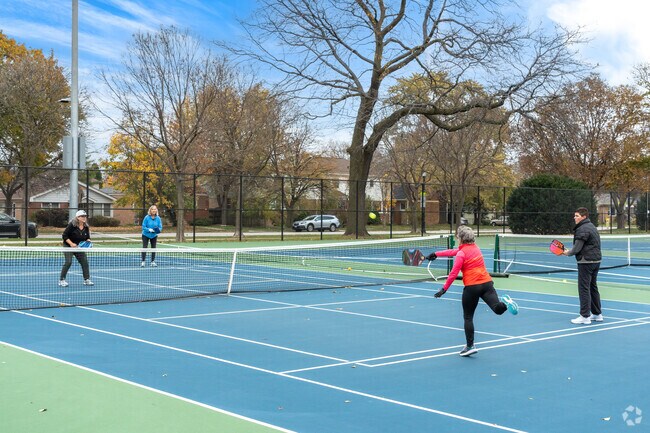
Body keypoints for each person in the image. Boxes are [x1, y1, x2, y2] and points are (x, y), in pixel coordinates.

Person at [429, 225, 518, 357]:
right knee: (497, 309)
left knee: (468, 317)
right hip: (487, 284)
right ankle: (506, 303)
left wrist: (444, 289)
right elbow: (454, 252)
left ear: (461, 239)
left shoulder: (461, 253)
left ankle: (470, 346)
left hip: (472, 287)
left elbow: (453, 273)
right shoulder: (476, 248)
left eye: (458, 237)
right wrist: (436, 254)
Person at [562, 207, 603, 325]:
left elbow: (578, 247)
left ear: (583, 217)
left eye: (577, 216)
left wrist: (567, 253)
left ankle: (585, 316)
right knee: (592, 287)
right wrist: (571, 251)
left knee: (584, 288)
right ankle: (597, 314)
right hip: (596, 261)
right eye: (574, 216)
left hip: (586, 262)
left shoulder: (582, 229)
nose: (574, 218)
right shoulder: (592, 226)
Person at [59, 210, 93, 287]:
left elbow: (87, 237)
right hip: (68, 246)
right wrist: (71, 244)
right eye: (82, 216)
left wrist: (88, 241)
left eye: (85, 216)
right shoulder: (72, 225)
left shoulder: (86, 226)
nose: (84, 218)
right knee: (68, 262)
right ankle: (62, 280)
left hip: (79, 247)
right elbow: (64, 236)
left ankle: (87, 279)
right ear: (77, 217)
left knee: (84, 262)